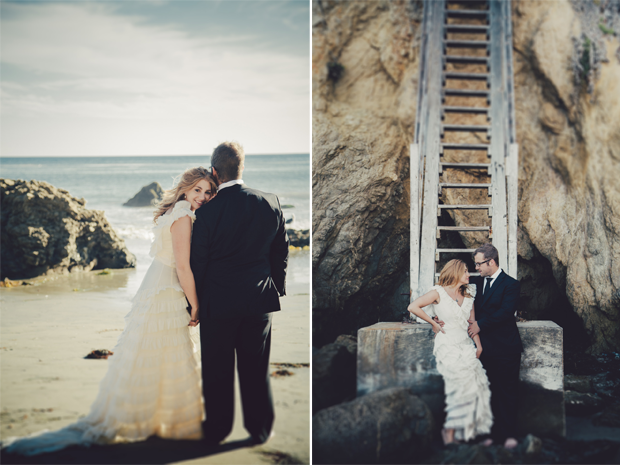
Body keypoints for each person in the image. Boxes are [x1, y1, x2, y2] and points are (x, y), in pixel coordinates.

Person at [3, 167, 217, 456]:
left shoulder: (174, 211)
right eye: (197, 190)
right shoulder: (183, 217)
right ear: (185, 189)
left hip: (154, 286)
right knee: (169, 352)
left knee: (152, 354)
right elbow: (182, 267)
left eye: (207, 192)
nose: (202, 197)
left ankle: (157, 419)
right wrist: (196, 304)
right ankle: (166, 422)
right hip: (166, 291)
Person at [190, 141, 289, 446]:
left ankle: (218, 430)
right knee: (256, 369)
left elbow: (198, 262)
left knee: (217, 371)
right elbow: (280, 252)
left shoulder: (208, 211)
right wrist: (276, 288)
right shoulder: (269, 201)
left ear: (214, 172)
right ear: (241, 168)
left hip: (217, 304)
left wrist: (193, 304)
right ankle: (258, 430)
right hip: (258, 301)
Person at [408, 259, 493, 445]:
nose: (469, 275)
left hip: (465, 344)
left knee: (477, 386)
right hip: (447, 344)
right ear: (455, 272)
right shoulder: (437, 292)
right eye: (465, 271)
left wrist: (478, 345)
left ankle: (468, 434)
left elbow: (471, 323)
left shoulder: (469, 294)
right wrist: (434, 323)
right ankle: (449, 432)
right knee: (458, 387)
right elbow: (413, 307)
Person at [467, 243, 522, 449]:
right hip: (483, 349)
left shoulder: (511, 284)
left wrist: (480, 324)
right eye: (475, 264)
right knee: (487, 392)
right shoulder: (475, 283)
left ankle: (508, 435)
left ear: (491, 262)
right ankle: (490, 434)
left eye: (479, 264)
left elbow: (506, 312)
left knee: (507, 392)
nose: (476, 268)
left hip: (506, 348)